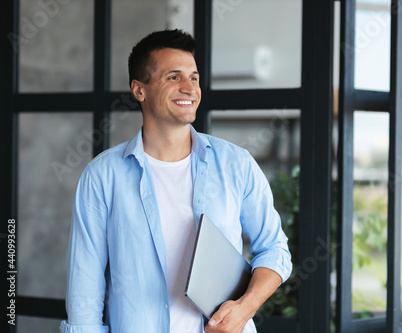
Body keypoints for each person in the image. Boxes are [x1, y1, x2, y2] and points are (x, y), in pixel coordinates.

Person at [59, 29, 292, 333]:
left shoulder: (236, 164)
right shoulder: (103, 176)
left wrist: (245, 308)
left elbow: (274, 248)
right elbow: (84, 291)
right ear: (139, 90)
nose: (189, 88)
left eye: (194, 78)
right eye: (173, 77)